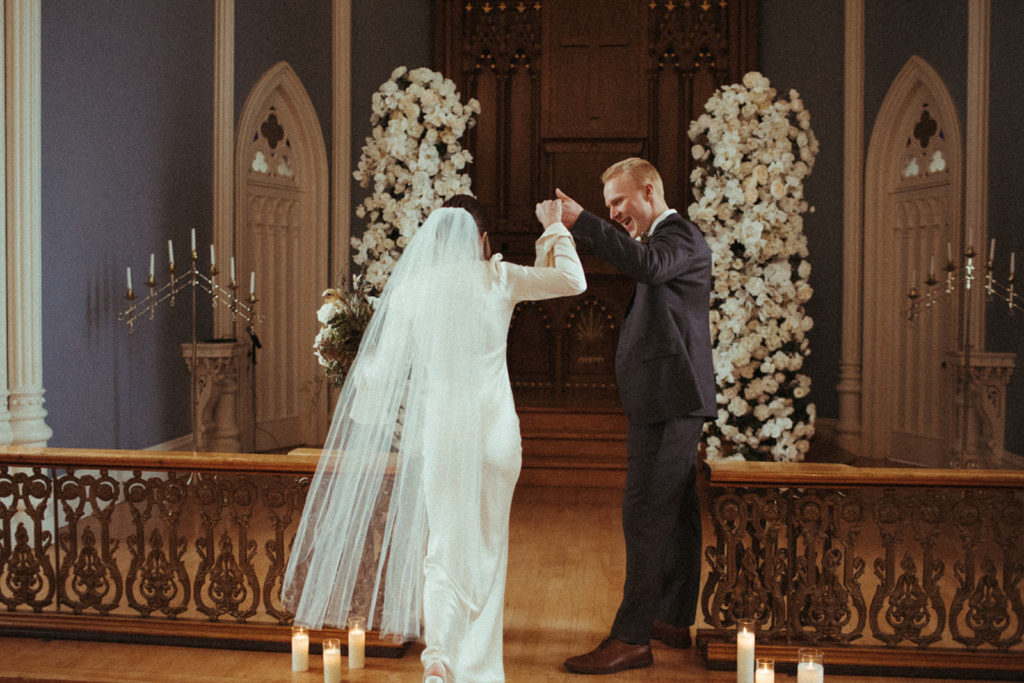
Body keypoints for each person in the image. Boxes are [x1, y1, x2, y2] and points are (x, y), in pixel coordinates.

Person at [281, 195, 586, 683]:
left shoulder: (412, 291)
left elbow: (377, 379)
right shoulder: (498, 277)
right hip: (495, 435)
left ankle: (440, 658)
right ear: (482, 240)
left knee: (443, 550)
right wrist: (553, 229)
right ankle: (479, 670)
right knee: (488, 547)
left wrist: (347, 357)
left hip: (443, 434)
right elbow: (573, 280)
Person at [554, 158, 716, 675]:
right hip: (667, 400)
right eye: (607, 207)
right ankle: (668, 619)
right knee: (675, 515)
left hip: (672, 402)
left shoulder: (680, 235)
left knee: (644, 515)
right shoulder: (664, 239)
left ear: (648, 191)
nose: (614, 212)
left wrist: (582, 222)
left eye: (618, 202)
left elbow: (646, 268)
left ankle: (631, 638)